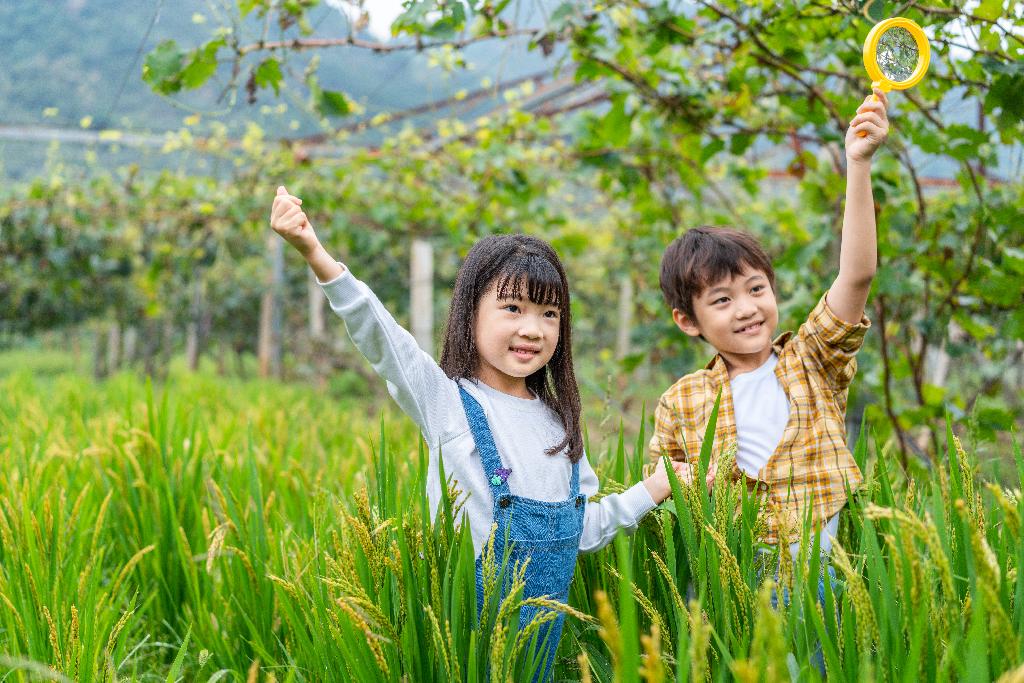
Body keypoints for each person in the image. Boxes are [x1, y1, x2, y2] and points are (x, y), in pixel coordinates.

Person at [269, 188, 692, 677]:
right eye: (512, 308)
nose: (533, 329)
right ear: (471, 313)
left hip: (539, 658)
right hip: (462, 651)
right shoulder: (449, 404)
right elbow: (383, 339)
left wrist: (653, 489)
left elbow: (583, 531)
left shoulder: (560, 426)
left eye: (549, 314)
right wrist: (315, 254)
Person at [649, 90, 890, 565]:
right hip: (732, 572)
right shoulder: (681, 401)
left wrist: (858, 164)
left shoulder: (812, 361)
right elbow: (665, 489)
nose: (746, 309)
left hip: (820, 576)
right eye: (722, 300)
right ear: (687, 321)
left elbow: (857, 274)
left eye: (756, 290)